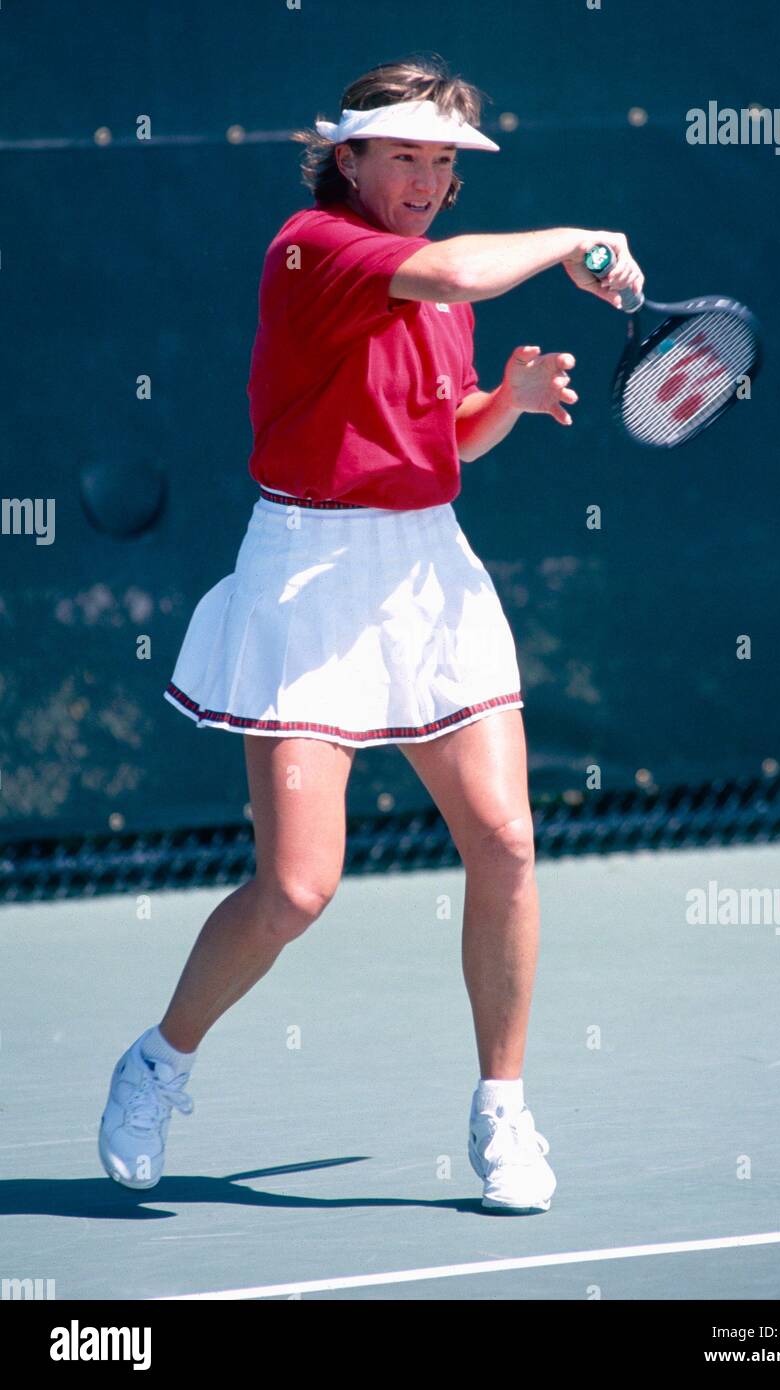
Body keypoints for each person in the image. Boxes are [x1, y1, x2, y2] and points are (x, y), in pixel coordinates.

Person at [98, 55, 644, 1214]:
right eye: (406, 156)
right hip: (309, 573)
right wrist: (574, 239)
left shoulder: (427, 281)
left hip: (426, 563)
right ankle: (160, 1061)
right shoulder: (315, 245)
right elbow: (446, 272)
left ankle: (503, 1111)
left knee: (503, 839)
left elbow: (436, 434)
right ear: (347, 158)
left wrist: (503, 405)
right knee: (297, 887)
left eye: (444, 163)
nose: (428, 180)